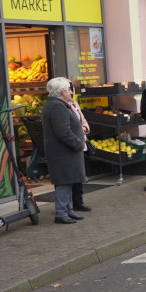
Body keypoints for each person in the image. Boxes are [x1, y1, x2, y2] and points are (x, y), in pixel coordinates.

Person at [40, 78, 86, 224]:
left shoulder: (57, 104)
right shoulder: (57, 107)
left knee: (68, 181)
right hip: (63, 152)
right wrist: (77, 144)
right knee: (63, 182)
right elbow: (63, 132)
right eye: (68, 90)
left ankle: (68, 210)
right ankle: (61, 213)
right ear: (62, 92)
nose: (71, 92)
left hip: (64, 151)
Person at [63, 81, 92, 213]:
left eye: (71, 89)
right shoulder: (61, 106)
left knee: (79, 173)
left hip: (80, 142)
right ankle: (69, 203)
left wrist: (84, 128)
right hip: (71, 143)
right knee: (71, 175)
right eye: (68, 90)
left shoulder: (74, 104)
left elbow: (82, 118)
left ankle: (78, 201)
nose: (71, 92)